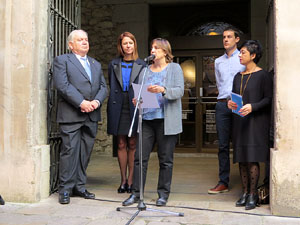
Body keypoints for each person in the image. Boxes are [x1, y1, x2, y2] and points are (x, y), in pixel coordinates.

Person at [122, 38, 184, 207]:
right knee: (139, 158)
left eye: (156, 48)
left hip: (166, 119)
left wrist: (163, 90)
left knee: (165, 159)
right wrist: (138, 100)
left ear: (165, 51)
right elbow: (140, 93)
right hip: (147, 119)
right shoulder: (145, 71)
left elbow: (180, 91)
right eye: (151, 48)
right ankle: (136, 194)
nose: (153, 50)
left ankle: (163, 194)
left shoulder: (174, 68)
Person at [53, 29, 108, 204]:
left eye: (86, 39)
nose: (85, 42)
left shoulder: (95, 64)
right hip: (71, 114)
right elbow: (62, 85)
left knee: (85, 152)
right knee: (69, 151)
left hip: (91, 115)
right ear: (71, 45)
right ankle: (65, 189)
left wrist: (96, 102)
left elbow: (103, 87)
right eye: (80, 40)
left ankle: (79, 186)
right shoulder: (62, 61)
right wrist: (81, 102)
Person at [227, 40, 273, 210]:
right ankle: (245, 192)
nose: (240, 55)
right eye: (240, 52)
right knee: (241, 157)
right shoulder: (237, 76)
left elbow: (268, 99)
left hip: (256, 122)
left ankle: (253, 195)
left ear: (253, 56)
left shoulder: (264, 76)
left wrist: (253, 106)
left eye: (243, 52)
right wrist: (230, 104)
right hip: (239, 121)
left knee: (252, 158)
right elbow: (233, 98)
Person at [107, 32, 146, 193]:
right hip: (117, 105)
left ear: (134, 45)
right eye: (125, 43)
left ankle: (131, 181)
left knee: (132, 143)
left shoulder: (142, 65)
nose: (128, 46)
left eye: (130, 43)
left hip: (133, 104)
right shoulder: (113, 64)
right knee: (121, 143)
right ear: (121, 46)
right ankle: (123, 180)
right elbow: (111, 84)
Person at [208, 26, 245, 194]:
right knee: (222, 145)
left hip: (239, 103)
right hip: (222, 104)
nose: (225, 39)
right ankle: (223, 181)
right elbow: (219, 84)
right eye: (224, 37)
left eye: (229, 36)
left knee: (241, 143)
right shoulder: (218, 62)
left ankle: (247, 184)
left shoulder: (243, 58)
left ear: (237, 39)